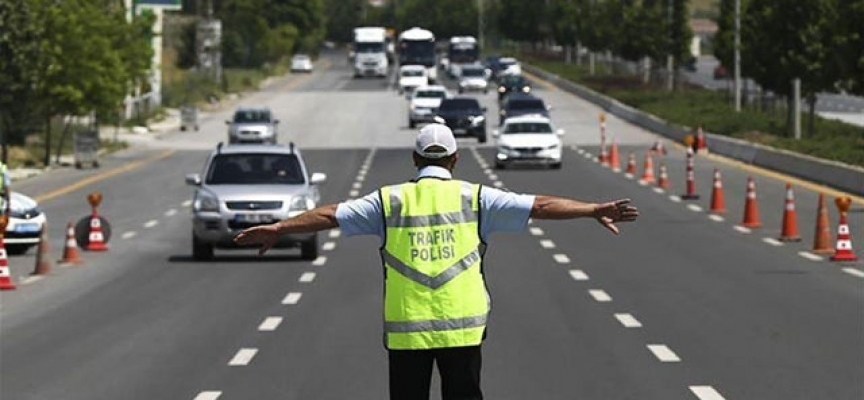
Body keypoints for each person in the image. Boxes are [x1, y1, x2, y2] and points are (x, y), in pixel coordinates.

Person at [234, 124, 639, 400]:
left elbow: (329, 215)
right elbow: (541, 205)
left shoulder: (388, 201)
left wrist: (279, 228)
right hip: (463, 331)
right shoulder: (477, 198)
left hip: (407, 334)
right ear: (455, 159)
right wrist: (590, 209)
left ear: (414, 158)